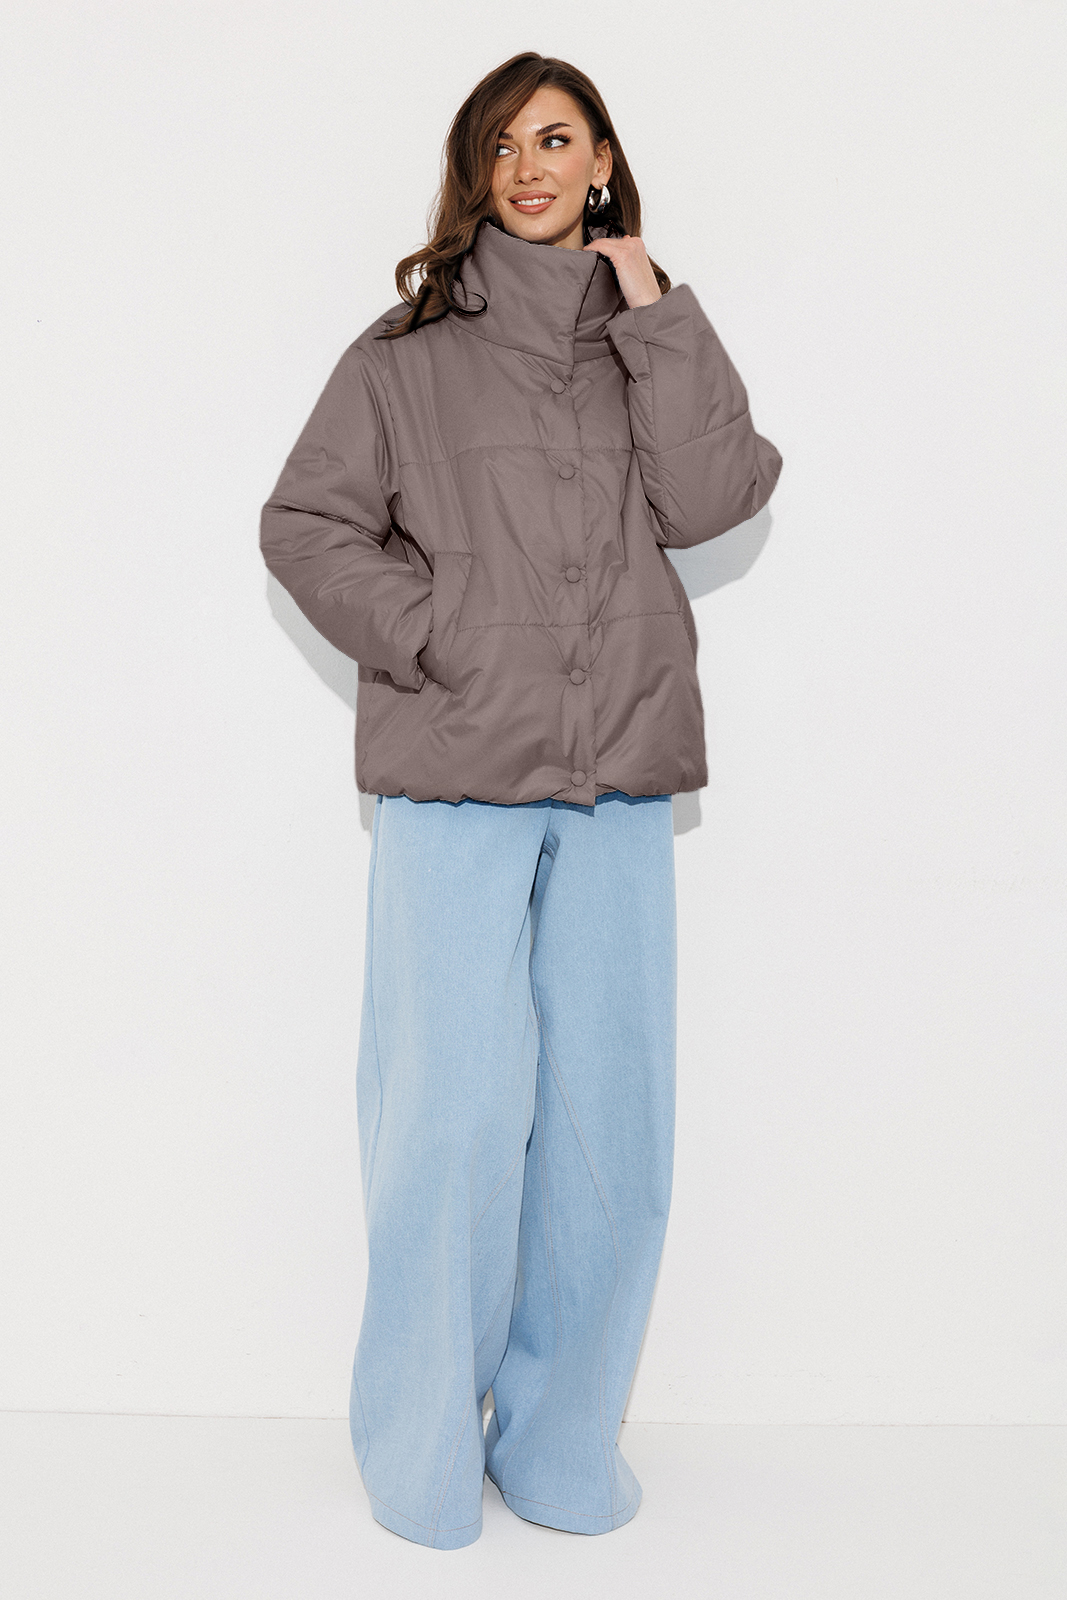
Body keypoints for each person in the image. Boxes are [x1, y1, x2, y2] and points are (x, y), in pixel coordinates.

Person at [259, 51, 782, 1550]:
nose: (530, 168)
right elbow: (303, 524)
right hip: (455, 777)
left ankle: (561, 1448)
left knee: (613, 1127)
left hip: (618, 772)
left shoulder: (647, 338)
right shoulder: (405, 355)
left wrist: (655, 307)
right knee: (449, 1122)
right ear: (475, 173)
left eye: (557, 140)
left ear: (603, 161)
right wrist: (439, 633)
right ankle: (423, 1459)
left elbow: (717, 497)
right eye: (502, 146)